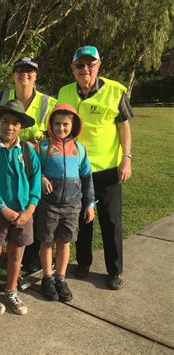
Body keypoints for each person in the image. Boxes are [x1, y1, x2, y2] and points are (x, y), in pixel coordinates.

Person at [57, 46, 133, 290]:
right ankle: (84, 263)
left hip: (108, 169)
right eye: (80, 65)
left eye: (90, 64)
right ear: (73, 69)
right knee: (81, 220)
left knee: (110, 221)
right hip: (77, 169)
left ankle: (115, 270)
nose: (85, 69)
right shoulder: (65, 92)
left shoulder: (115, 91)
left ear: (99, 66)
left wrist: (127, 159)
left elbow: (124, 127)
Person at [0, 57, 57, 274]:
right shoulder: (2, 97)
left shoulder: (49, 103)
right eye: (20, 70)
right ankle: (9, 257)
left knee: (33, 214)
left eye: (30, 71)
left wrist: (43, 172)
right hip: (10, 156)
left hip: (38, 165)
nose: (24, 74)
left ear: (36, 76)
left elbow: (55, 137)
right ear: (13, 75)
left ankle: (30, 259)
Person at [0, 99, 41, 317]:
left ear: (21, 127)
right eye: (5, 121)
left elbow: (35, 181)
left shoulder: (27, 151)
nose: (10, 127)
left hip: (24, 213)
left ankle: (11, 290)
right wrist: (3, 208)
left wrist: (30, 209)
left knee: (16, 255)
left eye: (15, 123)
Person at [35, 104, 95, 302]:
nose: (62, 128)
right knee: (47, 241)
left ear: (73, 125)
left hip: (72, 206)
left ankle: (60, 278)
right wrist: (42, 178)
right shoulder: (43, 147)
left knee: (65, 242)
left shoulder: (79, 149)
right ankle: (47, 278)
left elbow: (87, 177)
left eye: (66, 125)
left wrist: (89, 204)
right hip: (48, 205)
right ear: (51, 124)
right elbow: (34, 170)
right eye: (57, 124)